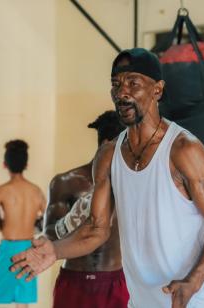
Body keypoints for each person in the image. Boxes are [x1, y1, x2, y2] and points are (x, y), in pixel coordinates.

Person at [11, 48, 204, 308]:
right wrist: (55, 250)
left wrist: (192, 283)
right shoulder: (108, 155)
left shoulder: (183, 149)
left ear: (157, 90)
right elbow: (96, 228)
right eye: (116, 85)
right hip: (142, 301)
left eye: (133, 83)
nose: (122, 93)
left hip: (194, 299)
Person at [44, 110, 128, 308]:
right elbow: (48, 236)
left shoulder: (131, 185)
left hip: (115, 281)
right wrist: (69, 222)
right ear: (107, 143)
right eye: (126, 146)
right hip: (74, 280)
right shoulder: (66, 182)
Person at [0, 140, 46, 308]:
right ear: (26, 164)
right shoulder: (36, 191)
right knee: (22, 302)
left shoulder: (0, 191)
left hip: (7, 249)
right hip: (28, 250)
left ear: (5, 164)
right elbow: (48, 222)